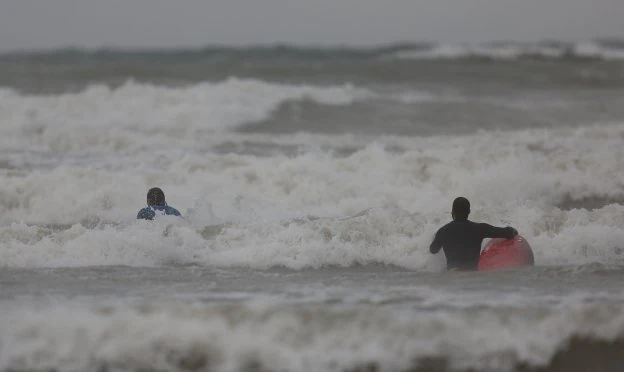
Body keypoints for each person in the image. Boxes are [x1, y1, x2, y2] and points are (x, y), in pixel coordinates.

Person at [430, 197, 517, 271]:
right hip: (471, 276)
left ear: (452, 212)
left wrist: (437, 238)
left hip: (452, 277)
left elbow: (433, 250)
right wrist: (513, 231)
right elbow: (507, 233)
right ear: (469, 212)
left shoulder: (442, 231)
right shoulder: (479, 228)